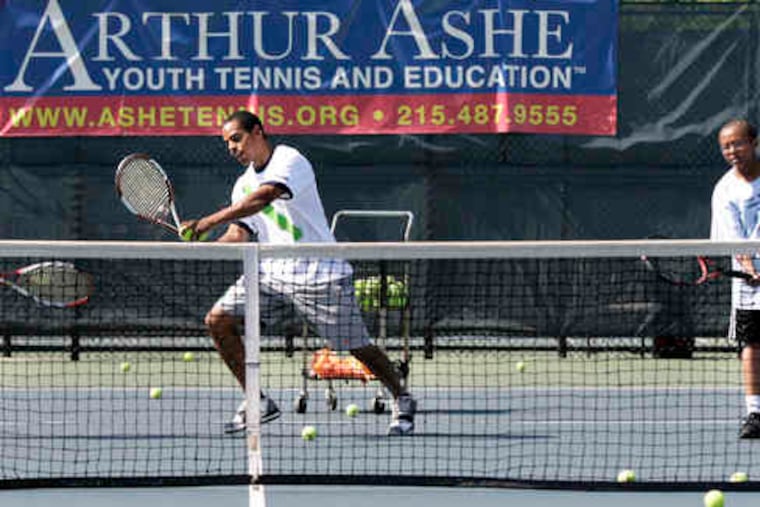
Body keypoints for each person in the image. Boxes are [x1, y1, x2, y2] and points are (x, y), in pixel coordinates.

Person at [181, 110, 416, 436]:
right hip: (270, 273)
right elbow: (239, 233)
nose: (232, 148)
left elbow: (263, 199)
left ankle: (401, 396)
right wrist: (203, 246)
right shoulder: (241, 185)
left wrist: (206, 222)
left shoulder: (289, 159)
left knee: (357, 345)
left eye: (236, 138)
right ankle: (256, 401)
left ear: (258, 132)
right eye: (226, 143)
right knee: (217, 320)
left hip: (319, 274)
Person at [710, 118, 760, 438]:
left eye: (737, 143)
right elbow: (733, 237)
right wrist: (749, 269)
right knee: (753, 343)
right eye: (726, 146)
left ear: (754, 142)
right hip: (748, 284)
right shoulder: (725, 190)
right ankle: (755, 413)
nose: (732, 151)